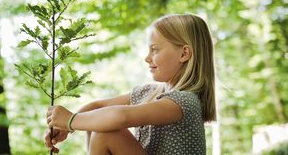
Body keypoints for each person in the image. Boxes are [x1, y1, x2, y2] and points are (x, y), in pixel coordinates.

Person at [45, 13, 216, 155]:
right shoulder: (149, 92)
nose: (147, 57)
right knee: (99, 124)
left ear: (184, 54)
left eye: (155, 49)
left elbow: (120, 117)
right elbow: (97, 106)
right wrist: (67, 127)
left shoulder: (184, 102)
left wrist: (71, 120)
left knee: (106, 133)